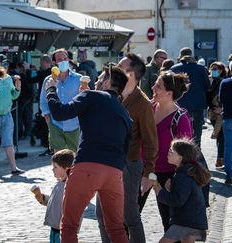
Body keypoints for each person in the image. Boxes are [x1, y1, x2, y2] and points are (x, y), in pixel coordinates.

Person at [46, 65, 132, 242]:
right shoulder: (125, 113)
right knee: (116, 228)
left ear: (107, 82)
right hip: (114, 172)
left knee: (69, 225)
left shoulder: (92, 95)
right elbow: (126, 148)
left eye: (100, 78)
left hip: (88, 165)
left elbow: (59, 112)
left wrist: (51, 90)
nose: (96, 81)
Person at [97, 54, 158, 243]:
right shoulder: (109, 96)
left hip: (128, 165)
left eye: (120, 65)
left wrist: (148, 172)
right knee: (102, 215)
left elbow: (150, 141)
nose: (115, 67)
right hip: (105, 163)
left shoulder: (142, 103)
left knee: (130, 216)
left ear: (130, 74)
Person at [140, 71, 193, 232]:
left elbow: (186, 154)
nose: (153, 87)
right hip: (143, 169)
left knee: (169, 223)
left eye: (158, 86)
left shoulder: (180, 119)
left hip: (167, 175)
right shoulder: (148, 108)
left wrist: (176, 178)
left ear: (169, 93)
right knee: (129, 216)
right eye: (155, 83)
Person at [153, 138, 211, 243]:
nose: (168, 152)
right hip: (193, 218)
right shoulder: (186, 172)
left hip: (186, 220)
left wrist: (160, 191)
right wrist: (169, 189)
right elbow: (183, 194)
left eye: (172, 151)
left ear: (180, 158)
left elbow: (177, 200)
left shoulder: (183, 176)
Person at [0, 60, 25, 175]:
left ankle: (14, 168)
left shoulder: (8, 78)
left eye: (6, 65)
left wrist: (18, 89)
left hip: (7, 115)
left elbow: (13, 95)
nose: (4, 67)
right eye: (2, 64)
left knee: (8, 142)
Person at [40, 48, 81, 153]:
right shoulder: (48, 80)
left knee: (75, 158)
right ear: (54, 62)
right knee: (58, 158)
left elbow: (84, 101)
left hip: (74, 125)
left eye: (65, 58)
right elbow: (43, 101)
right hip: (55, 125)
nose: (63, 61)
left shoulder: (79, 79)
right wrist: (49, 122)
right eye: (60, 59)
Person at [32, 149, 74, 243]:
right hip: (54, 226)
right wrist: (42, 198)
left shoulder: (70, 187)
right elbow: (53, 201)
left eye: (55, 167)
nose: (52, 169)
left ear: (66, 169)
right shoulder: (58, 184)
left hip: (63, 228)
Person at [171, 47, 210, 148]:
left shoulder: (174, 68)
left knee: (181, 133)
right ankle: (197, 157)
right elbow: (207, 86)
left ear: (180, 56)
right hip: (197, 104)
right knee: (197, 134)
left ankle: (182, 156)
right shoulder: (201, 68)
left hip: (180, 105)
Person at [206, 62, 232, 169]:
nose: (214, 70)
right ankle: (221, 159)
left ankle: (221, 159)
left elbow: (228, 97)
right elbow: (207, 96)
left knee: (221, 135)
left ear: (222, 70)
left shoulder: (225, 81)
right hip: (213, 113)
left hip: (222, 112)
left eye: (216, 69)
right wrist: (212, 108)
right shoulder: (209, 80)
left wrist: (221, 108)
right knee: (219, 135)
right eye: (212, 68)